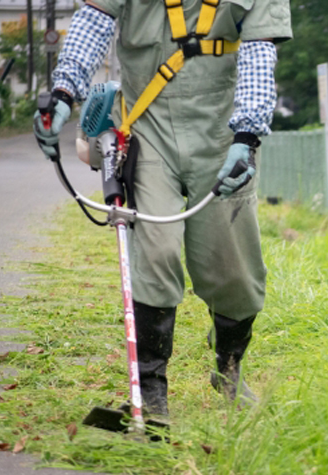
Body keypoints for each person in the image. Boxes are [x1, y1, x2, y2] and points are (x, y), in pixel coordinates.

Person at [32, 0, 292, 415]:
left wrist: (247, 136)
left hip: (222, 136)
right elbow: (92, 24)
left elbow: (260, 57)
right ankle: (151, 391)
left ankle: (229, 366)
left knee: (234, 270)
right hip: (147, 127)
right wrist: (62, 93)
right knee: (156, 249)